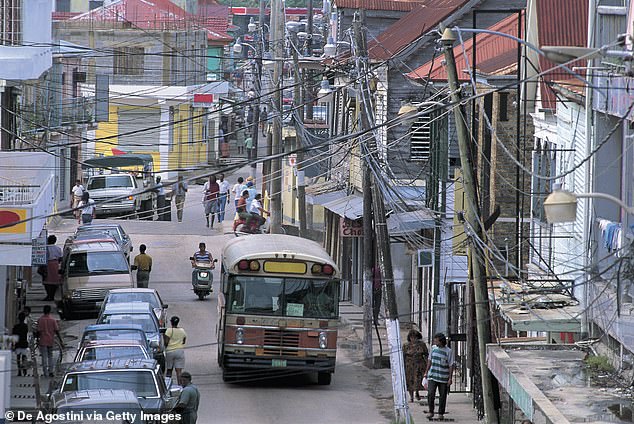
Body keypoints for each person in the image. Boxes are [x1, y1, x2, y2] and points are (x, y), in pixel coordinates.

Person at [424, 333, 455, 420]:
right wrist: (426, 372)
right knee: (430, 394)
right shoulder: (433, 349)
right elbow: (429, 361)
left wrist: (450, 378)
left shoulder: (448, 351)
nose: (435, 341)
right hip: (433, 376)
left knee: (443, 396)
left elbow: (451, 365)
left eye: (436, 340)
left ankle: (441, 412)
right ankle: (431, 411)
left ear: (441, 341)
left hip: (443, 377)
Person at [37, 305, 64, 377]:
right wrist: (61, 341)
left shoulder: (40, 320)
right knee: (50, 356)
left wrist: (37, 339)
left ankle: (45, 372)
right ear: (49, 311)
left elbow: (38, 331)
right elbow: (57, 331)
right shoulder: (53, 320)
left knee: (44, 357)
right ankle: (51, 371)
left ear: (43, 311)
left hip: (43, 340)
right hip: (50, 340)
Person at [403, 329, 428, 403]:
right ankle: (411, 397)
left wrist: (428, 365)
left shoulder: (422, 344)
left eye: (415, 337)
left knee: (418, 379)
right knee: (410, 381)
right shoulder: (406, 345)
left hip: (419, 364)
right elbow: (403, 356)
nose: (413, 339)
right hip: (409, 365)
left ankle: (417, 392)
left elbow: (426, 354)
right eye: (412, 337)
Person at [164, 316, 187, 381]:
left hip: (170, 351)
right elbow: (184, 341)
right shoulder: (182, 330)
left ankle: (168, 384)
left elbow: (166, 342)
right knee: (179, 371)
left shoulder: (169, 330)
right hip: (179, 351)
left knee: (169, 370)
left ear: (171, 322)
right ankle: (180, 385)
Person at [43, 235, 63, 301]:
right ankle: (51, 295)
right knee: (54, 281)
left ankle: (49, 295)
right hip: (55, 264)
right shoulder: (58, 248)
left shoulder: (46, 248)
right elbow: (60, 257)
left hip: (47, 264)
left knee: (46, 281)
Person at [12, 312, 29, 376]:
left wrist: (13, 344)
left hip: (18, 344)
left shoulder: (16, 326)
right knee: (24, 357)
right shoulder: (25, 326)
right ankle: (24, 368)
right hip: (24, 343)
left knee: (18, 358)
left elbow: (14, 335)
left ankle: (19, 371)